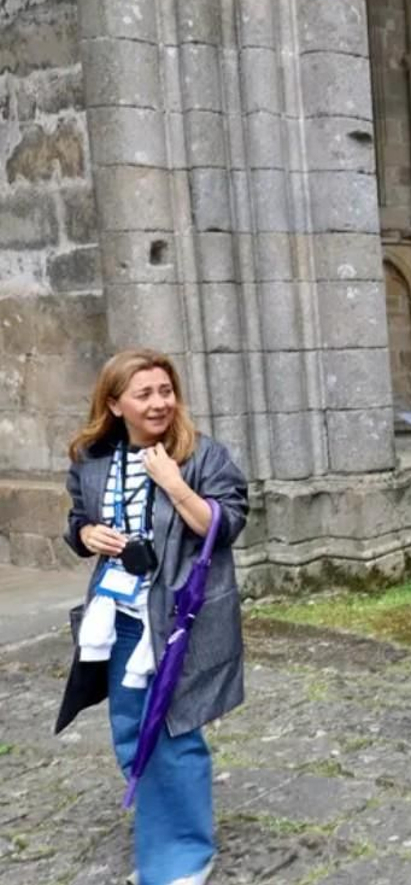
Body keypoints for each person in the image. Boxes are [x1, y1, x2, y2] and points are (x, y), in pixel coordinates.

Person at [58, 350, 250, 885]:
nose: (160, 402)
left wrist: (173, 482)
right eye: (144, 394)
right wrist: (86, 535)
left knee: (173, 729)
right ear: (115, 403)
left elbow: (225, 524)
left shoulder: (203, 456)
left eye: (165, 390)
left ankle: (182, 858)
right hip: (118, 614)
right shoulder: (93, 460)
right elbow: (77, 520)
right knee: (129, 730)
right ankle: (168, 826)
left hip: (178, 616)